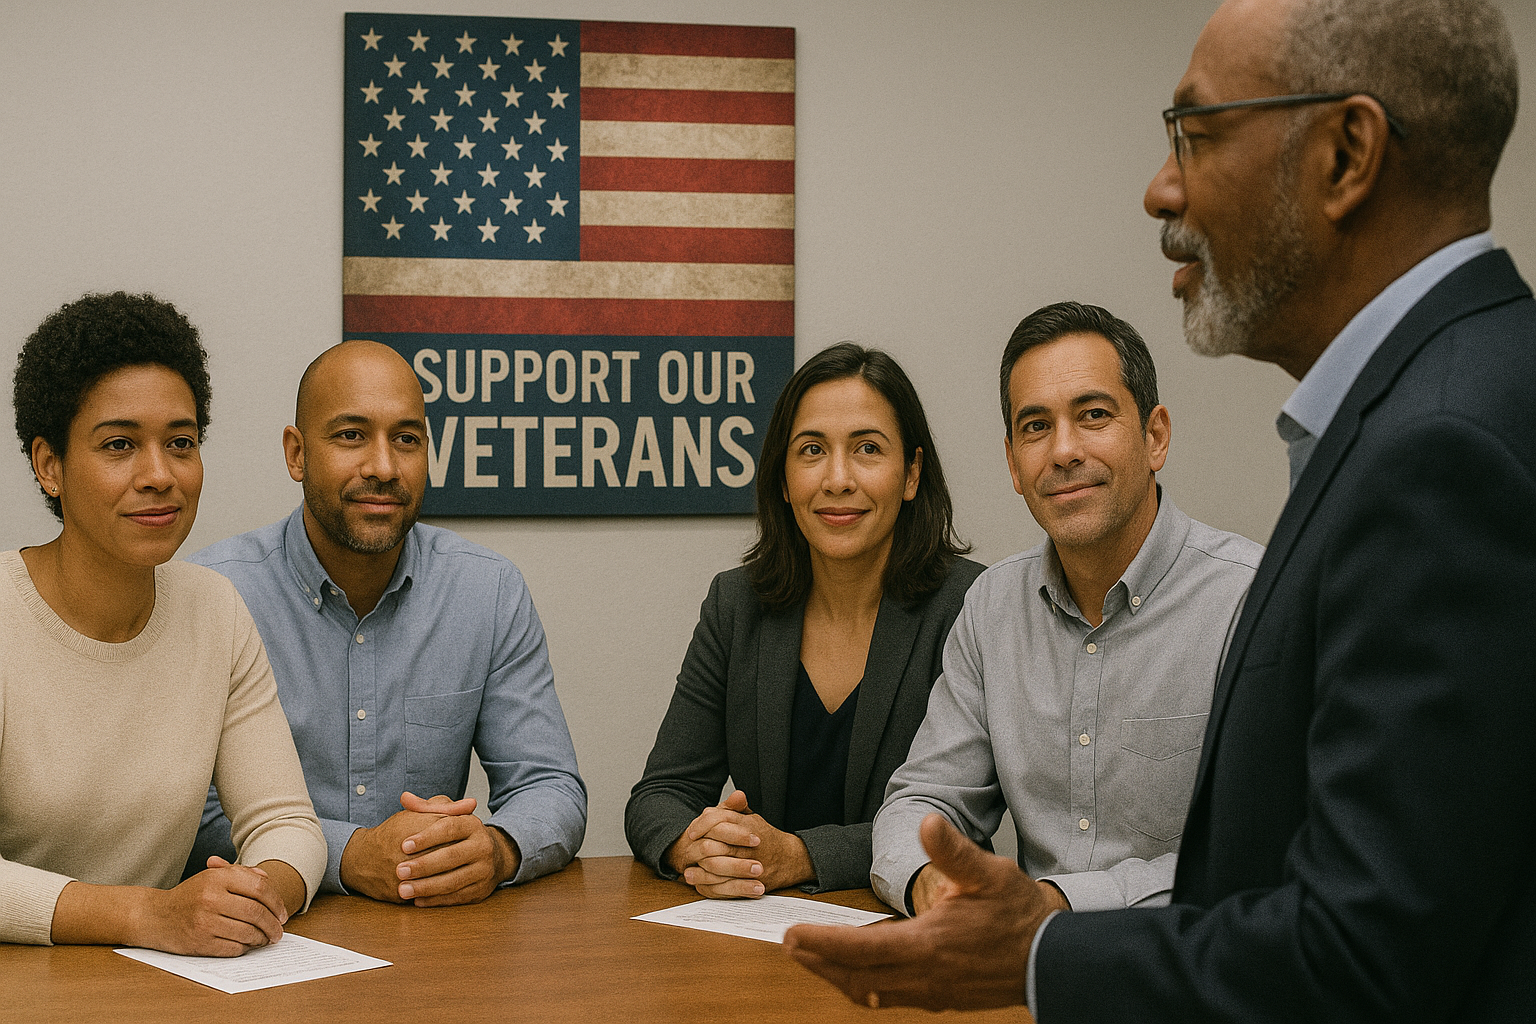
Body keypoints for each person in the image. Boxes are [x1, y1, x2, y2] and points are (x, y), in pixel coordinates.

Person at [785, 0, 1536, 1019]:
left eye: (1198, 131)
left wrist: (1038, 952)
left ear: (1347, 153)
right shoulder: (1459, 391)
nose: (1160, 187)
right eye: (1033, 426)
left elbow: (1363, 953)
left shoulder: (1440, 450)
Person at [870, 301, 1262, 919]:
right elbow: (924, 799)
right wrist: (931, 884)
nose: (1063, 451)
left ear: (1155, 436)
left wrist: (1055, 904)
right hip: (1028, 985)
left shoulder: (1248, 600)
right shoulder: (993, 608)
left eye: (1094, 416)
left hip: (1195, 984)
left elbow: (1255, 855)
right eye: (1035, 427)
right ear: (1013, 464)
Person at [187, 340, 585, 907]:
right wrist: (349, 854)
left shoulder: (487, 591)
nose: (383, 466)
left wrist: (495, 850)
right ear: (296, 454)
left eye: (407, 439)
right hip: (268, 939)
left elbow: (550, 785)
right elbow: (186, 813)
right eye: (351, 435)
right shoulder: (214, 594)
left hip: (433, 942)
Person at [0, 292, 326, 955]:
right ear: (49, 465)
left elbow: (287, 822)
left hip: (153, 985)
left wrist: (260, 892)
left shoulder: (215, 608)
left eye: (181, 443)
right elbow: (152, 917)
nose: (159, 475)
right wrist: (144, 916)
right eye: (120, 444)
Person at [625, 343, 984, 896]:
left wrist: (801, 856)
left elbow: (961, 827)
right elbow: (660, 796)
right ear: (784, 479)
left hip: (910, 931)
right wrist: (698, 844)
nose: (837, 479)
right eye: (812, 450)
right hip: (757, 934)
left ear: (911, 475)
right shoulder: (735, 604)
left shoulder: (970, 607)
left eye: (867, 449)